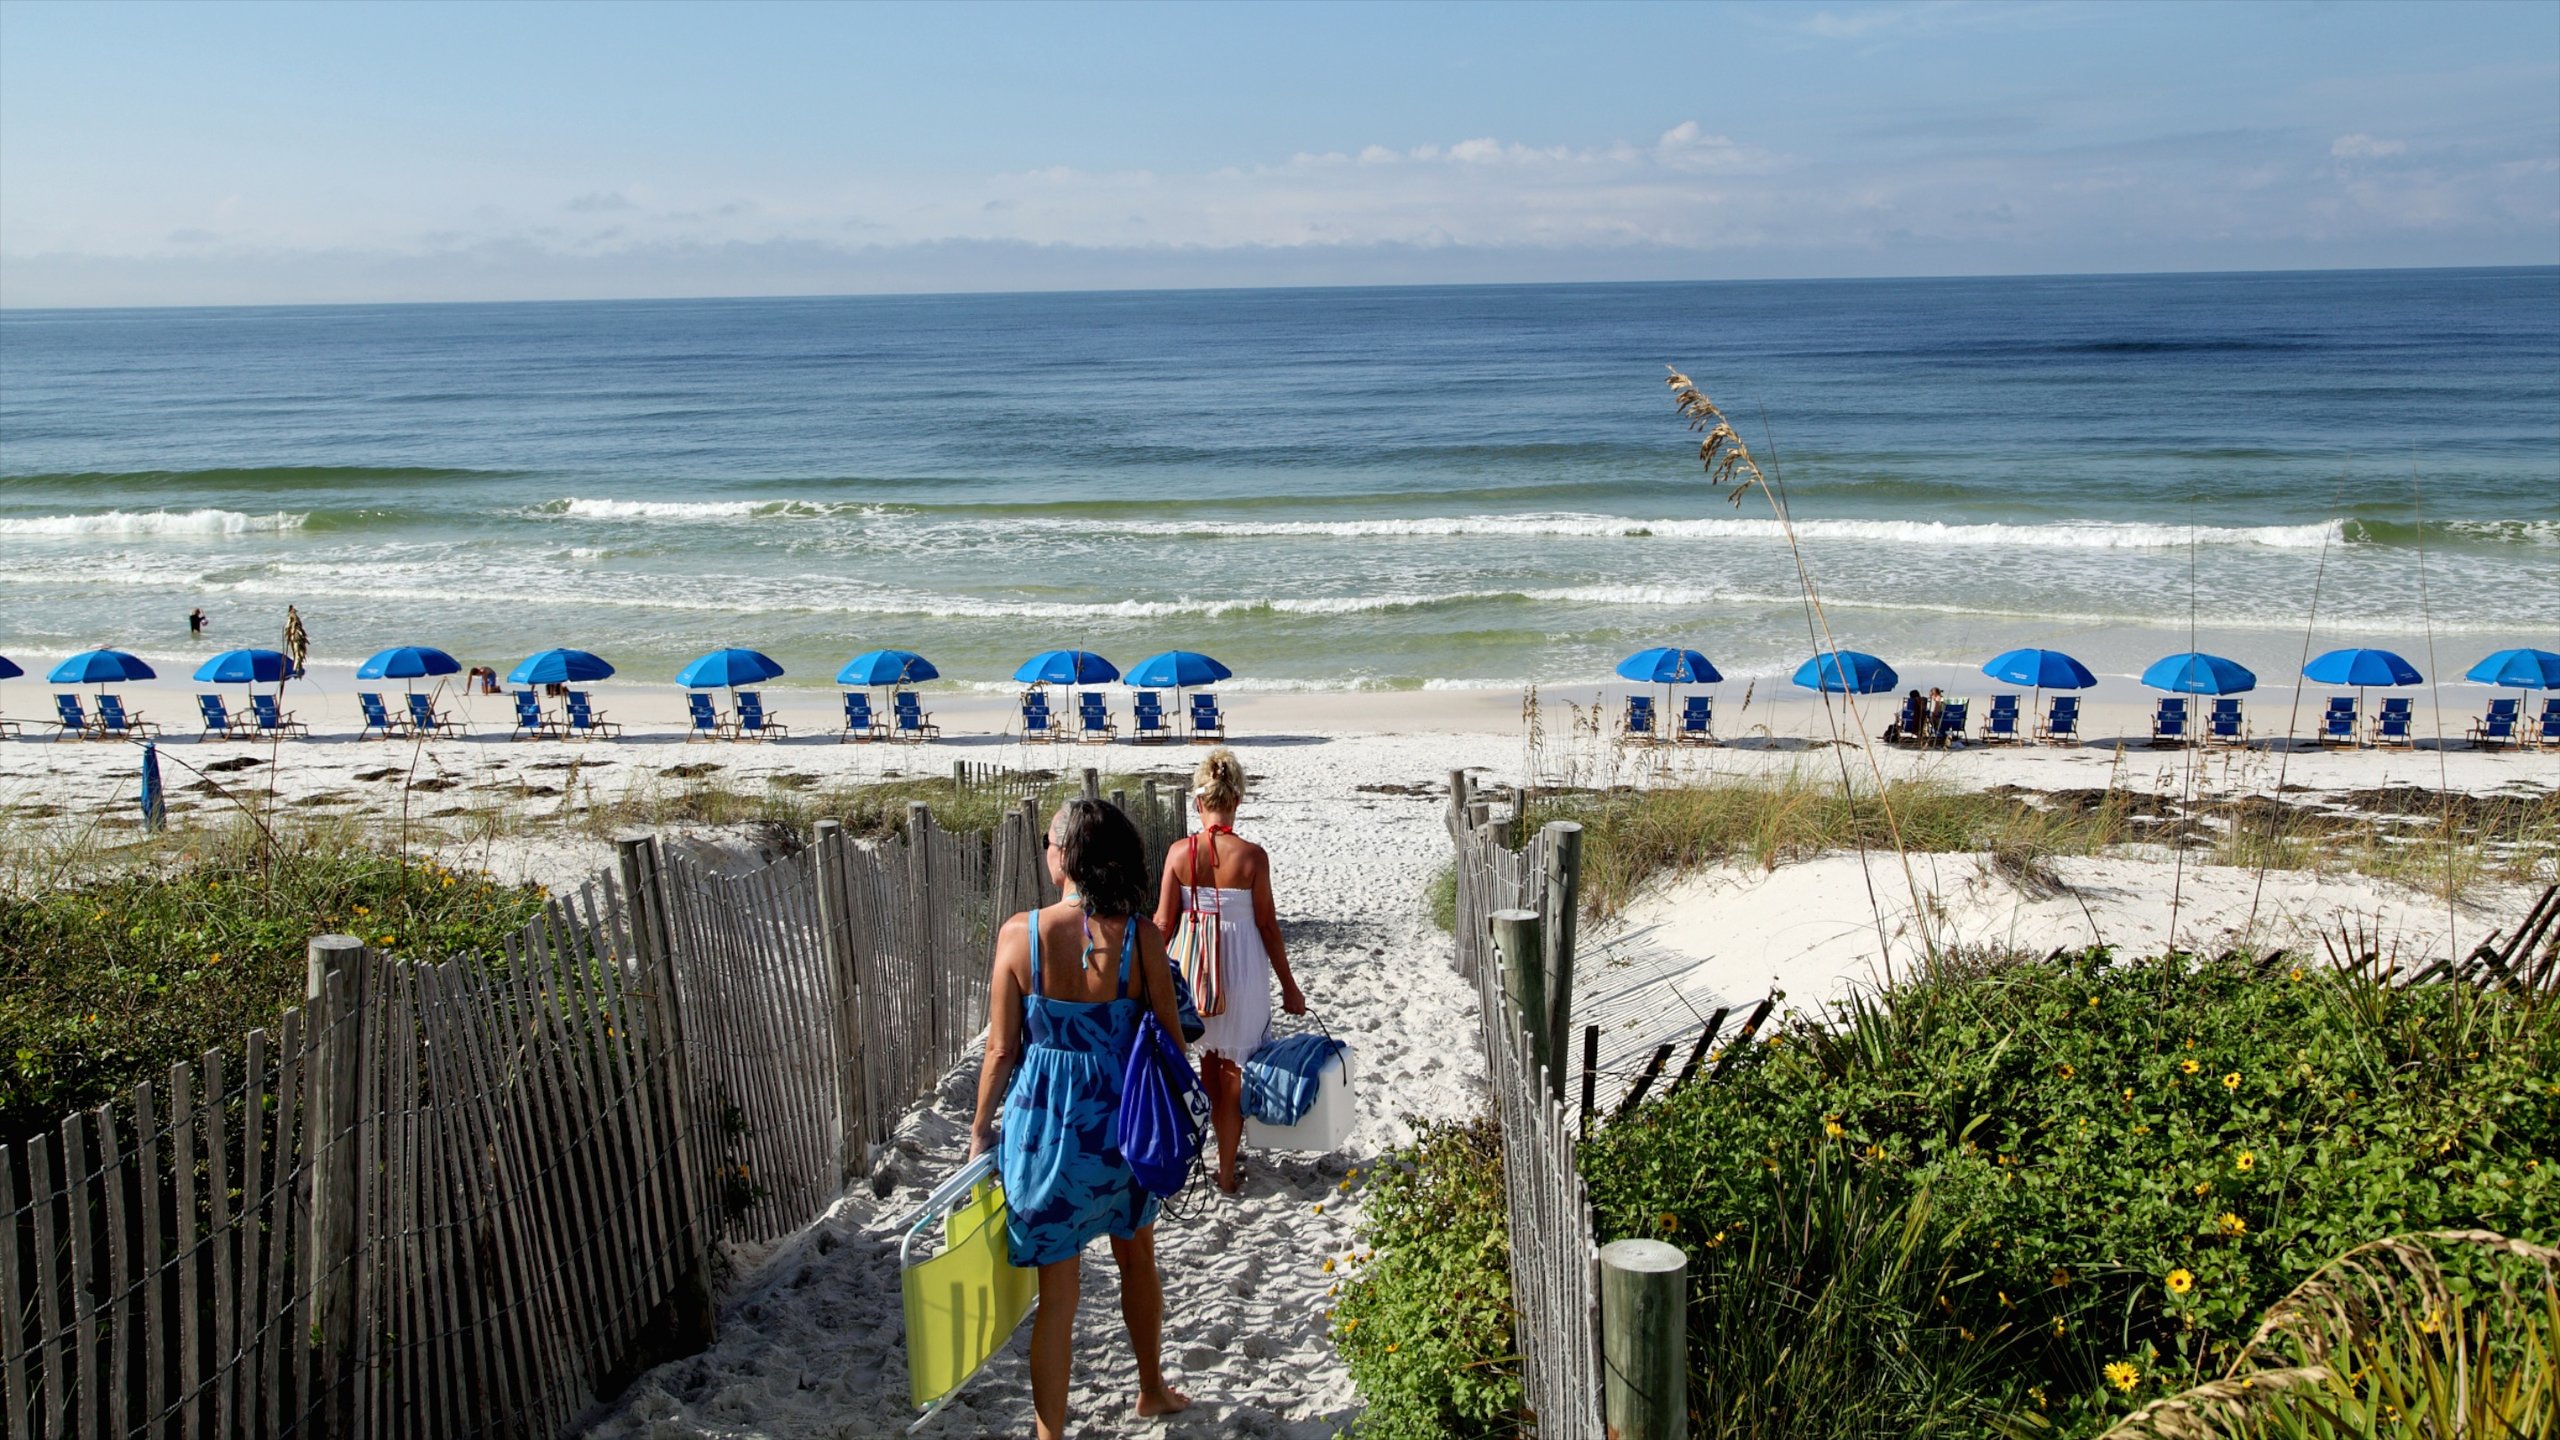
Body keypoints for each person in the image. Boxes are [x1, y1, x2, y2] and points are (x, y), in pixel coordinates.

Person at [969, 799, 1192, 1437]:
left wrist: (981, 1131)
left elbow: (1001, 1051)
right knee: (1137, 1257)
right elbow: (1172, 1042)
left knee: (1058, 1298)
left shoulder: (1021, 934)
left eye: (1049, 840)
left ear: (1064, 855)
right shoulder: (1141, 937)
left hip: (1046, 1132)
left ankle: (1049, 1436)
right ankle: (1150, 1389)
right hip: (1123, 1126)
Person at [1153, 748, 1302, 1195]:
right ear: (1236, 800)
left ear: (1198, 802)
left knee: (1207, 1064)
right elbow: (1267, 926)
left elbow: (1163, 924)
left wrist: (1147, 977)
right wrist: (1290, 987)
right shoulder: (1253, 857)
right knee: (1234, 1070)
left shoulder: (1179, 853)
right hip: (1241, 973)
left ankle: (1209, 1152)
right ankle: (1225, 1169)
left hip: (1193, 972)